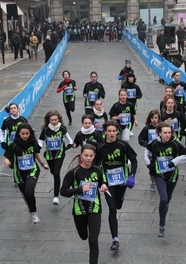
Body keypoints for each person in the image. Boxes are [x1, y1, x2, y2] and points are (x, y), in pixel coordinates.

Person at [60, 144, 108, 264]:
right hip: (79, 210)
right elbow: (63, 191)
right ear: (81, 155)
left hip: (95, 208)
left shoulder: (97, 170)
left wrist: (104, 185)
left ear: (94, 156)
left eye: (91, 156)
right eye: (86, 155)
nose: (88, 158)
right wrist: (79, 190)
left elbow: (102, 181)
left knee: (93, 239)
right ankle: (83, 232)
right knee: (83, 236)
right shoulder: (74, 172)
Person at [96, 120, 138, 250]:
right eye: (109, 131)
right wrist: (101, 182)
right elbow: (97, 166)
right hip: (108, 183)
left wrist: (132, 175)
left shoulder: (123, 145)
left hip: (122, 182)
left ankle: (119, 201)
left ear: (117, 131)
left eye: (114, 131)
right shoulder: (100, 147)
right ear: (105, 132)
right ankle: (115, 239)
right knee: (112, 208)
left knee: (118, 205)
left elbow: (134, 160)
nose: (112, 133)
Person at [145, 122, 186, 237]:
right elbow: (147, 153)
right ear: (160, 133)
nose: (167, 135)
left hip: (172, 175)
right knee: (164, 199)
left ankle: (163, 212)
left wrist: (174, 162)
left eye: (169, 132)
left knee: (167, 199)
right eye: (165, 133)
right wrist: (149, 165)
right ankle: (162, 225)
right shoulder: (154, 143)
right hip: (159, 175)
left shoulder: (176, 144)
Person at [4, 123, 49, 224]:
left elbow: (36, 153)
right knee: (25, 194)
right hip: (19, 174)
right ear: (18, 134)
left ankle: (34, 213)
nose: (25, 136)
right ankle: (30, 206)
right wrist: (7, 162)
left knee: (29, 191)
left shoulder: (33, 143)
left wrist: (42, 164)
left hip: (32, 170)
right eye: (23, 134)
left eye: (27, 133)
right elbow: (7, 157)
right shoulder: (14, 145)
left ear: (30, 133)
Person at [38, 110, 73, 205]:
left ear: (59, 120)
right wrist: (39, 147)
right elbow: (40, 140)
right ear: (48, 120)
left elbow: (69, 138)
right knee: (53, 172)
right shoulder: (45, 130)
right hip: (49, 155)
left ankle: (56, 196)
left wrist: (70, 144)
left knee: (57, 173)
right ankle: (54, 176)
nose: (54, 121)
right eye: (52, 120)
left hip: (60, 154)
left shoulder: (62, 128)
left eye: (55, 120)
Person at [138, 109, 160, 192]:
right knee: (151, 168)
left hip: (160, 151)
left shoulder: (161, 127)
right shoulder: (147, 128)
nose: (154, 120)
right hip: (149, 151)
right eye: (152, 118)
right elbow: (140, 140)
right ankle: (152, 182)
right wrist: (147, 143)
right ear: (149, 119)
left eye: (156, 118)